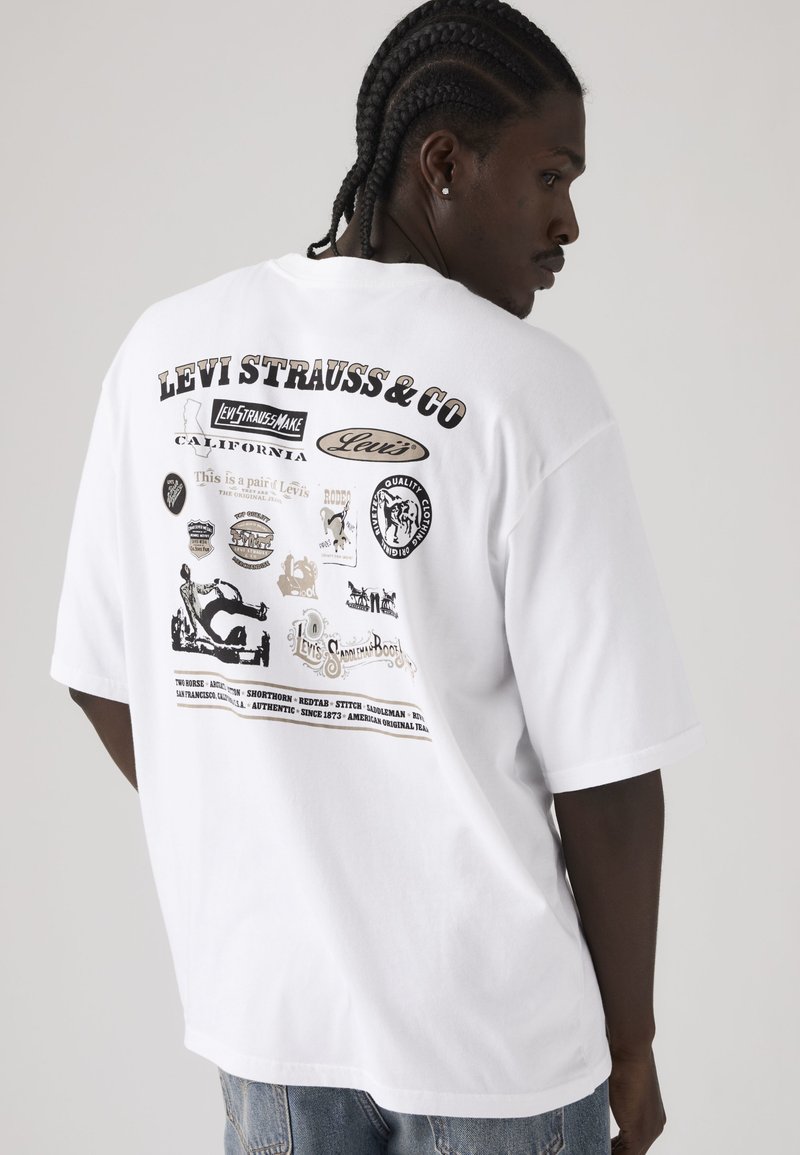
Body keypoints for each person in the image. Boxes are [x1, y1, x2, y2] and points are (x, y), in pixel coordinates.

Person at [50, 1, 706, 1152]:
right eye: (549, 176)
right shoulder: (529, 393)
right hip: (494, 1048)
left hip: (270, 1026)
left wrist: (284, 830)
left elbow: (105, 675)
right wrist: (631, 1040)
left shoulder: (163, 352)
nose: (566, 222)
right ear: (441, 163)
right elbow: (607, 779)